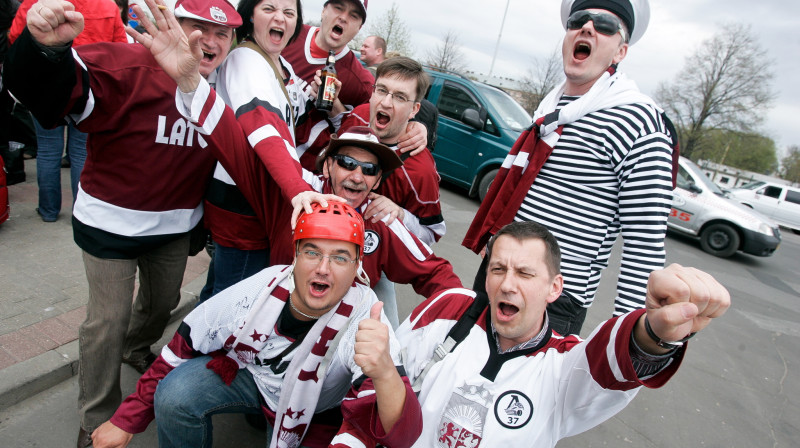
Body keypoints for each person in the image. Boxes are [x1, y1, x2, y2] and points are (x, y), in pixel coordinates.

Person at [3, 0, 241, 445]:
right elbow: (55, 92)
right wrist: (44, 50)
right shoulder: (129, 64)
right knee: (105, 322)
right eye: (197, 27)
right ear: (172, 24)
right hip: (110, 223)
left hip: (173, 227)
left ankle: (137, 347)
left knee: (160, 303)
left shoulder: (230, 87)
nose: (209, 41)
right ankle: (95, 420)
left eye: (222, 33)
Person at [91, 201, 422, 448]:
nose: (323, 268)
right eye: (312, 253)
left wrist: (384, 373)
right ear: (294, 256)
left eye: (339, 257)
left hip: (316, 411)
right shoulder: (259, 289)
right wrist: (126, 421)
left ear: (356, 267)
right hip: (252, 378)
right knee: (175, 392)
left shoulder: (366, 318)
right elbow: (180, 348)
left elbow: (403, 435)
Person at [399, 221, 730, 447]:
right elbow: (381, 379)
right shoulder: (448, 308)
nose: (507, 284)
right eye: (498, 269)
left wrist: (655, 334)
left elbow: (607, 364)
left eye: (525, 274)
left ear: (554, 288)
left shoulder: (563, 363)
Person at [464, 0, 677, 336]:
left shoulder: (640, 121)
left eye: (605, 25)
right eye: (579, 20)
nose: (588, 27)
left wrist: (627, 342)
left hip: (554, 299)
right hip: (496, 275)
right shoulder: (552, 107)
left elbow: (644, 244)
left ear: (620, 52)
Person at [197, 0, 335, 304]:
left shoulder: (279, 61)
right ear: (250, 15)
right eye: (269, 8)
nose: (280, 18)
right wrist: (297, 187)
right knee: (232, 306)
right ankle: (196, 352)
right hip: (244, 202)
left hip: (263, 196)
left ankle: (185, 348)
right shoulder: (246, 59)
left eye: (289, 13)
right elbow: (264, 124)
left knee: (216, 293)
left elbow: (291, 116)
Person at [9, 0, 127, 222]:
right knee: (81, 150)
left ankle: (48, 210)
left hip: (46, 82)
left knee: (47, 149)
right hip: (91, 85)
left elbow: (16, 37)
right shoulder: (107, 6)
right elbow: (120, 47)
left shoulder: (38, 2)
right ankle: (79, 209)